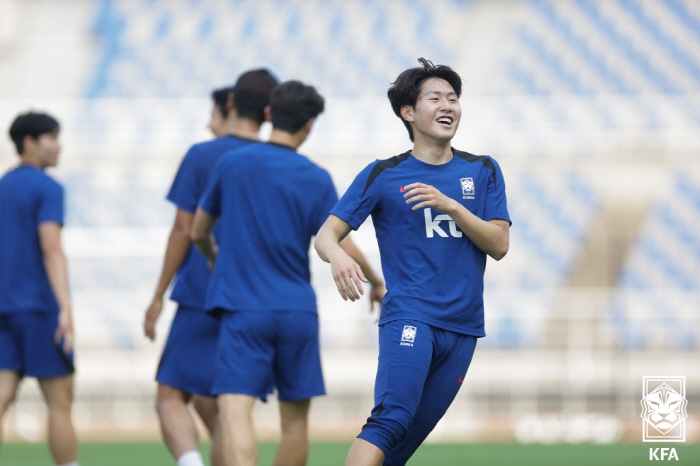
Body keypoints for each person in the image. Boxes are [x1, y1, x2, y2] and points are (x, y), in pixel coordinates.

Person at [314, 58, 511, 466]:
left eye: (453, 98)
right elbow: (326, 235)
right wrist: (337, 257)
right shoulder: (384, 174)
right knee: (389, 422)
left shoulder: (483, 169)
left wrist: (452, 207)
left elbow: (499, 244)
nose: (448, 106)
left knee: (401, 446)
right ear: (408, 112)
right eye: (435, 97)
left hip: (464, 327)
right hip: (410, 317)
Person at [191, 80, 385, 466]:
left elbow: (197, 230)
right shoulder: (316, 177)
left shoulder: (232, 164)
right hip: (297, 311)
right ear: (310, 124)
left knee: (234, 411)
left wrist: (213, 254)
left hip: (243, 308)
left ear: (268, 115)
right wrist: (376, 282)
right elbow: (341, 241)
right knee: (295, 424)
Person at [143, 69, 279, 466]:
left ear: (232, 103)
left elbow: (184, 229)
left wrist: (156, 296)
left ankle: (190, 462)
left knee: (170, 395)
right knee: (226, 409)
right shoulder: (279, 161)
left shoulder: (204, 155)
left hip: (205, 288)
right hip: (256, 297)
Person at [0, 112, 79, 466]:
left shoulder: (2, 185)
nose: (59, 145)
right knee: (60, 402)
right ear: (30, 142)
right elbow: (51, 246)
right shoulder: (48, 187)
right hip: (38, 305)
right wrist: (65, 307)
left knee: (2, 393)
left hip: (3, 304)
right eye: (52, 137)